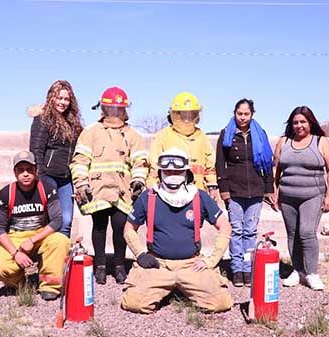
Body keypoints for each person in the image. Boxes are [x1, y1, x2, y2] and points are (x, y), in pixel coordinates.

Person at [121, 148, 232, 313]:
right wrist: (140, 255)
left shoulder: (199, 196)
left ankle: (179, 288)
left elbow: (224, 225)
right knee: (133, 302)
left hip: (191, 265)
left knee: (220, 302)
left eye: (178, 170)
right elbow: (129, 228)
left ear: (186, 172)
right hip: (158, 264)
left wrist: (212, 260)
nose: (172, 173)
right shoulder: (149, 196)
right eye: (167, 170)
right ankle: (171, 288)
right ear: (160, 172)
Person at [70, 86, 148, 285]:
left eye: (118, 109)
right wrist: (81, 184)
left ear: (124, 110)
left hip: (123, 190)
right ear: (103, 109)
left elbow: (140, 162)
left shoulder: (133, 135)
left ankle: (120, 265)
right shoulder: (90, 132)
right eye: (111, 109)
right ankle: (101, 266)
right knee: (99, 226)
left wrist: (138, 180)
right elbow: (80, 160)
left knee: (121, 226)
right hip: (98, 189)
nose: (115, 113)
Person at [0, 151, 70, 301]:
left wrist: (32, 240)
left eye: (29, 169)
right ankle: (21, 282)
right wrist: (15, 253)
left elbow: (57, 220)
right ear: (15, 172)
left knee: (61, 240)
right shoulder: (6, 193)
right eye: (21, 170)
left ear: (36, 170)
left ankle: (49, 286)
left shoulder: (47, 188)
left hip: (40, 235)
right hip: (15, 237)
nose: (25, 174)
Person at [273, 106, 329, 291]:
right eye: (295, 122)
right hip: (287, 197)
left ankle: (312, 273)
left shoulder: (321, 142)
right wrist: (274, 191)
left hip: (313, 196)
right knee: (293, 234)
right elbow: (276, 169)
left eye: (303, 121)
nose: (299, 125)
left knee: (307, 232)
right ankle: (297, 270)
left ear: (310, 122)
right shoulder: (283, 142)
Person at [216, 98, 276, 287]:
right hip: (234, 190)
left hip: (256, 191)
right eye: (239, 114)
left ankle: (248, 268)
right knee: (236, 230)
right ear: (235, 113)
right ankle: (237, 269)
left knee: (250, 231)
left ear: (252, 114)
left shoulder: (260, 134)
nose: (242, 118)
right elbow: (220, 164)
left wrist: (269, 189)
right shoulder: (226, 134)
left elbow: (267, 163)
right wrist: (224, 190)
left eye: (246, 114)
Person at [28, 80, 83, 238]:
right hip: (48, 176)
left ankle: (62, 257)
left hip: (66, 180)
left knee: (66, 221)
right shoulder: (42, 120)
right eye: (59, 98)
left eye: (66, 99)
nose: (63, 102)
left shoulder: (74, 124)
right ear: (52, 98)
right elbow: (36, 150)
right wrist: (41, 176)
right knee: (49, 220)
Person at [148, 92, 219, 200]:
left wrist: (212, 186)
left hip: (197, 193)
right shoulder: (163, 136)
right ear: (175, 115)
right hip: (169, 193)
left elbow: (210, 167)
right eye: (183, 115)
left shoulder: (202, 137)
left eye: (191, 115)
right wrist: (152, 189)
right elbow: (154, 168)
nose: (187, 119)